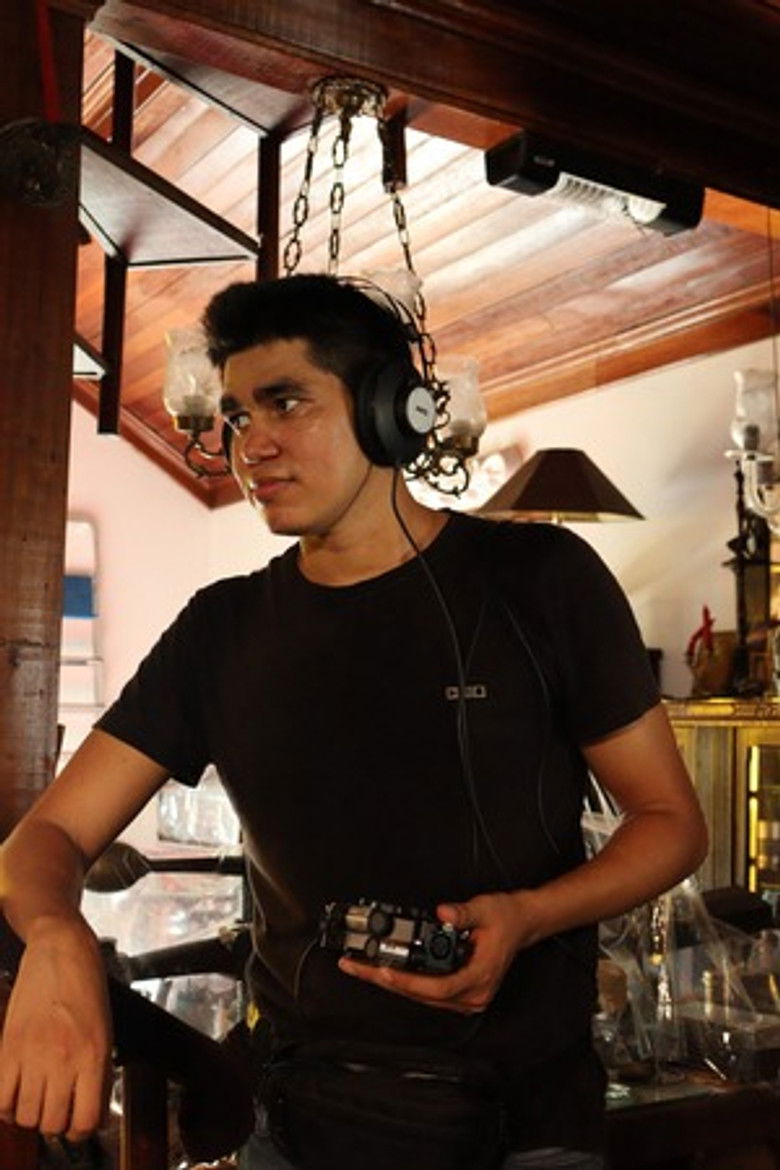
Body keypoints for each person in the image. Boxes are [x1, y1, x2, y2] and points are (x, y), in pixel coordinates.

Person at [0, 274, 707, 1170]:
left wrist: (530, 917)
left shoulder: (542, 578)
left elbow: (672, 823)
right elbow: (47, 837)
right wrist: (56, 938)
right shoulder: (220, 630)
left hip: (526, 1126)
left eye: (285, 402)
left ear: (389, 412)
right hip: (297, 1125)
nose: (251, 443)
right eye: (235, 416)